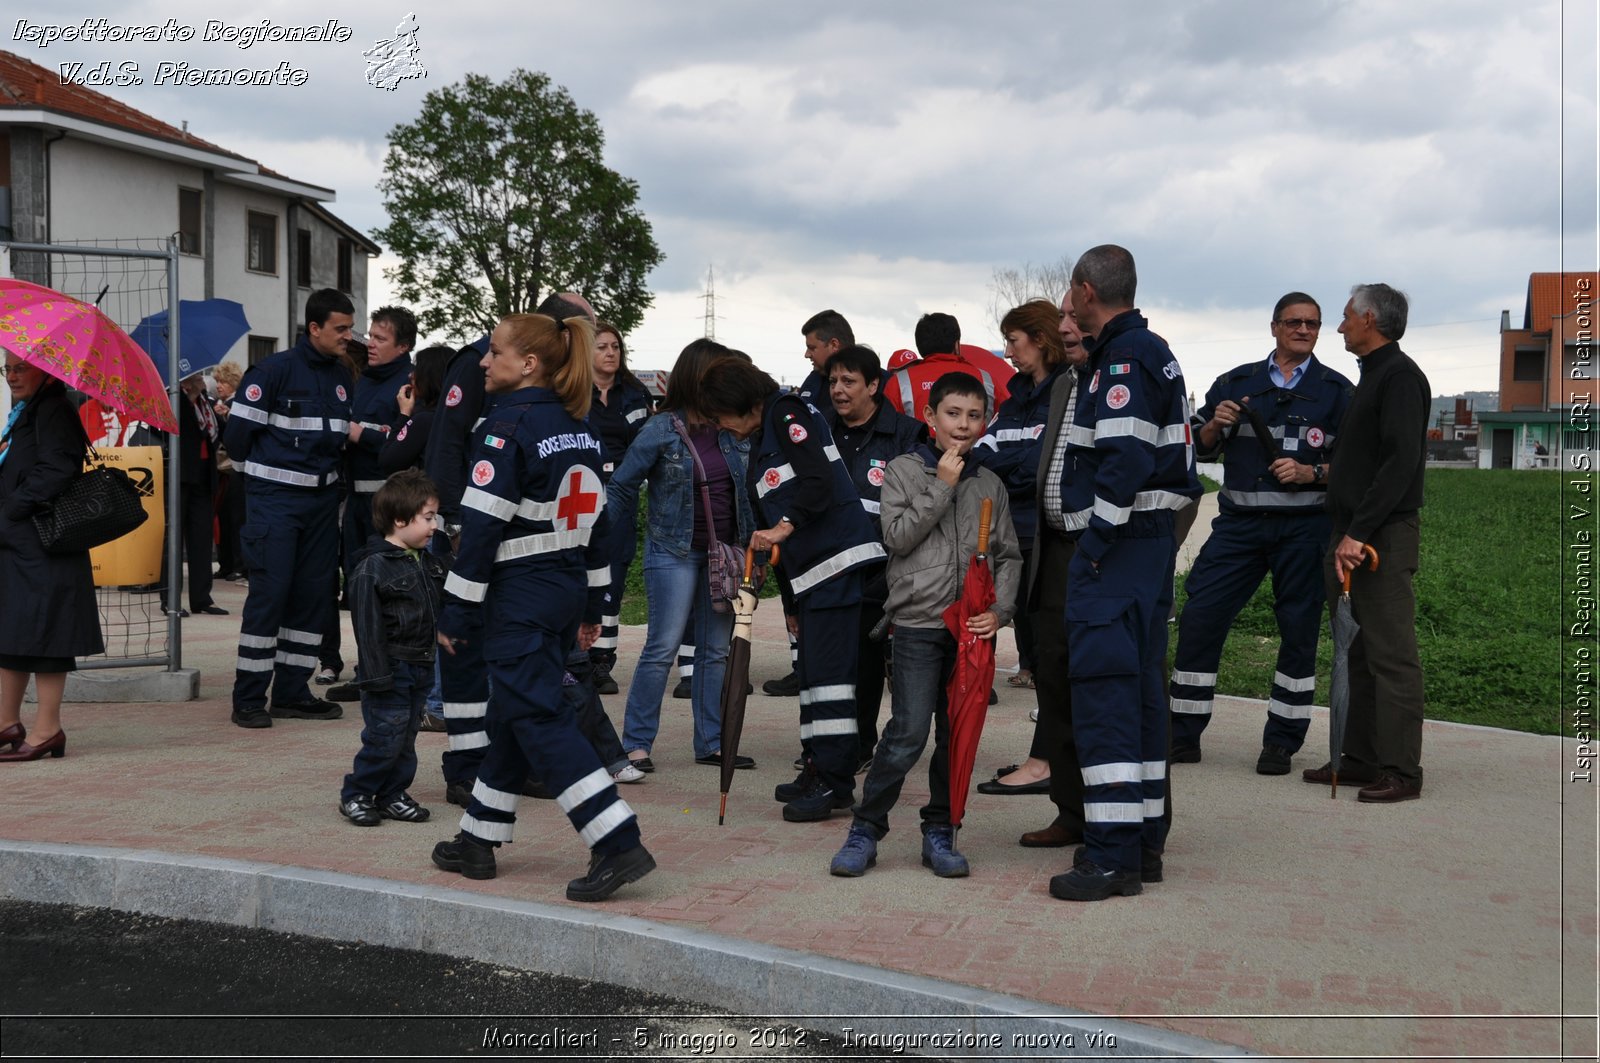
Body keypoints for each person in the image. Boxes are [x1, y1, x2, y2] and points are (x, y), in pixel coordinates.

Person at [430, 311, 654, 901]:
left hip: (519, 598)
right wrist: (595, 609)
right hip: (562, 592)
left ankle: (616, 840)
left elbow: (478, 534)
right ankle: (477, 838)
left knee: (539, 717)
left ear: (528, 363)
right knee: (515, 710)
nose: (483, 361)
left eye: (495, 351)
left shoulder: (504, 429)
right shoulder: (579, 428)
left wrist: (454, 615)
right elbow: (599, 530)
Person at [1051, 245, 1201, 901]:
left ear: (1087, 291)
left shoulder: (1122, 356)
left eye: (1069, 293)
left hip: (1118, 551)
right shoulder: (1145, 349)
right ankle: (1139, 841)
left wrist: (1093, 545)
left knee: (1107, 698)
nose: (1067, 303)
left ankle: (1112, 859)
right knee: (1139, 701)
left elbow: (1123, 458)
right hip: (1143, 550)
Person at [828, 372, 1021, 878]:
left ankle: (942, 828)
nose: (963, 424)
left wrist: (999, 612)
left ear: (985, 422)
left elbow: (1008, 556)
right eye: (952, 413)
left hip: (971, 630)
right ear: (930, 418)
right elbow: (897, 538)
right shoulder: (903, 471)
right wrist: (942, 484)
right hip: (917, 622)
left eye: (974, 415)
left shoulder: (990, 483)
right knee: (909, 730)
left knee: (956, 733)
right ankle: (865, 828)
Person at [1168, 293, 1353, 773]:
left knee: (1298, 633)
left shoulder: (1338, 391)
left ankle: (1282, 742)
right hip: (1239, 528)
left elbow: (1357, 465)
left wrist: (1313, 474)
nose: (1304, 330)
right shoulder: (1235, 383)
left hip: (1305, 530)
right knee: (1200, 617)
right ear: (1274, 327)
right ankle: (1183, 734)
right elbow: (1199, 447)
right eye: (1294, 322)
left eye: (1313, 324)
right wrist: (1215, 428)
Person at [424, 292, 596, 805]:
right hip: (478, 532)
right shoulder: (484, 369)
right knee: (474, 668)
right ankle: (468, 776)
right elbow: (448, 443)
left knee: (505, 680)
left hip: (508, 552)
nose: (486, 360)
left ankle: (489, 803)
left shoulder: (539, 409)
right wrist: (448, 518)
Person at [698, 356, 886, 822]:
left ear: (739, 401)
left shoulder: (787, 413)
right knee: (813, 678)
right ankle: (818, 767)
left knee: (831, 682)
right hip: (808, 579)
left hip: (837, 566)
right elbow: (770, 533)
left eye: (721, 415)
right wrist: (790, 601)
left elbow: (818, 483)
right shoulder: (761, 439)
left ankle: (836, 784)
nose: (723, 427)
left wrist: (785, 526)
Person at [1303, 283, 1429, 803]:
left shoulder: (1399, 378)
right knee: (1354, 650)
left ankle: (1400, 770)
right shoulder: (1373, 377)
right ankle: (1359, 757)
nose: (1339, 327)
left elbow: (1399, 465)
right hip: (1350, 532)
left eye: (1346, 317)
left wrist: (1359, 532)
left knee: (1391, 656)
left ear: (1370, 319)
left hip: (1378, 536)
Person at [607, 339, 755, 772]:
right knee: (662, 647)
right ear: (700, 378)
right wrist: (601, 538)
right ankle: (636, 744)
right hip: (672, 551)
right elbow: (621, 485)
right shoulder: (661, 428)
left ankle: (710, 743)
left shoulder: (734, 429)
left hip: (724, 557)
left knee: (715, 651)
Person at [223, 289, 355, 729]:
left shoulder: (341, 376)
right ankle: (248, 698)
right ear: (314, 328)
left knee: (313, 597)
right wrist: (264, 483)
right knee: (270, 596)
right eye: (341, 329)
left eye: (350, 328)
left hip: (321, 505)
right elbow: (237, 439)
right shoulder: (273, 371)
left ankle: (293, 692)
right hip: (275, 504)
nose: (348, 336)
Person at [819, 344, 927, 773]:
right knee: (827, 665)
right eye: (832, 382)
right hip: (827, 569)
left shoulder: (906, 434)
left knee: (866, 668)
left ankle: (863, 745)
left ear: (874, 386)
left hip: (882, 572)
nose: (838, 391)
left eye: (849, 381)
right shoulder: (819, 430)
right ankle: (828, 744)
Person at [0, 356, 104, 762]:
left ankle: (48, 729)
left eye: (21, 368)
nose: (12, 375)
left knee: (46, 633)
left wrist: (12, 508)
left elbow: (58, 468)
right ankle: (7, 721)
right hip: (20, 543)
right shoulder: (26, 411)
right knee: (13, 630)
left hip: (46, 542)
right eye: (7, 368)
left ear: (46, 369)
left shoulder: (56, 409)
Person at [339, 468, 446, 826]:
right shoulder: (373, 568)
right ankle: (356, 793)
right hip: (391, 671)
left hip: (421, 666)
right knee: (384, 736)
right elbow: (368, 631)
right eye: (428, 518)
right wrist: (376, 676)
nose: (435, 526)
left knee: (407, 737)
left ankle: (392, 794)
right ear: (400, 520)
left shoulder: (429, 563)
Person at [976, 299, 1072, 696]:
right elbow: (980, 458)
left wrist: (1010, 469)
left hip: (1047, 534)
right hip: (1008, 532)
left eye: (1013, 342)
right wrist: (1019, 469)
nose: (1009, 353)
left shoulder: (1068, 394)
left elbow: (1044, 469)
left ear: (1041, 339)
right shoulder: (1012, 403)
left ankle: (1051, 711)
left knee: (1050, 628)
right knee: (1022, 621)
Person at [762, 309, 857, 700]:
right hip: (810, 509)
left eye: (811, 347)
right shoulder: (809, 386)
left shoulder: (867, 379)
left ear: (833, 345)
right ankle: (803, 666)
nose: (807, 356)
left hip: (841, 506)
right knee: (796, 592)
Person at [325, 307, 417, 703]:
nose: (370, 344)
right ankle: (368, 671)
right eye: (371, 336)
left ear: (404, 346)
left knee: (391, 593)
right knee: (359, 588)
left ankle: (392, 673)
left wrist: (359, 432)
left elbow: (405, 440)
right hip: (356, 503)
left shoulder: (410, 384)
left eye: (381, 339)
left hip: (390, 504)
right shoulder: (360, 380)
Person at [587, 321, 655, 695]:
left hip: (622, 493)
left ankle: (602, 662)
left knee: (612, 578)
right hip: (581, 493)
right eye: (602, 347)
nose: (610, 352)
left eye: (615, 346)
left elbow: (645, 445)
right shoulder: (571, 390)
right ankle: (575, 656)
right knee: (580, 575)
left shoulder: (634, 393)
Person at [883, 313, 996, 427]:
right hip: (975, 444)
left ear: (920, 346)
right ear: (957, 345)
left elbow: (886, 427)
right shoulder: (985, 379)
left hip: (914, 444)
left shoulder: (899, 382)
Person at [177, 371, 226, 616]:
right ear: (184, 380)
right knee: (174, 539)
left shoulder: (205, 402)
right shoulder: (173, 399)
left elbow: (215, 433)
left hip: (204, 477)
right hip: (180, 476)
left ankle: (202, 598)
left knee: (201, 537)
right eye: (196, 377)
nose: (202, 380)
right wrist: (188, 398)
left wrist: (223, 418)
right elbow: (178, 428)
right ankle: (171, 599)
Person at [211, 362, 246, 582]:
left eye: (222, 381)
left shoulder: (237, 405)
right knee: (225, 517)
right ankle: (228, 564)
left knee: (234, 518)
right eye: (217, 382)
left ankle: (235, 564)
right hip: (226, 470)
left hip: (233, 469)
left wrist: (227, 415)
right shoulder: (223, 405)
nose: (218, 386)